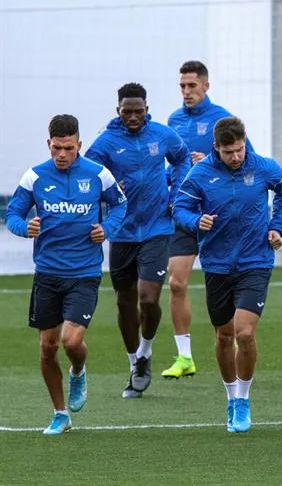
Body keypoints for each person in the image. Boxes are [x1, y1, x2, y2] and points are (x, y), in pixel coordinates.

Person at [6, 115, 127, 434]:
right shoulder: (34, 177)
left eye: (68, 148)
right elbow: (13, 214)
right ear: (49, 144)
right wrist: (24, 227)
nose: (62, 154)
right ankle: (60, 414)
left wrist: (108, 229)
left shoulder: (98, 174)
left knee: (71, 341)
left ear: (79, 146)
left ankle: (78, 370)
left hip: (84, 272)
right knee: (47, 346)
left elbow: (119, 206)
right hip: (47, 272)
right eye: (56, 148)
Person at [173, 116, 282, 432]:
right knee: (224, 335)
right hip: (216, 264)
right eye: (229, 152)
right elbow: (180, 208)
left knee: (244, 332)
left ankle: (243, 399)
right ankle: (230, 397)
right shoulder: (199, 173)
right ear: (216, 148)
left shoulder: (263, 167)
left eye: (239, 150)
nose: (236, 157)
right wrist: (195, 221)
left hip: (256, 262)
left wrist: (276, 226)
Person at [86, 83, 191, 398]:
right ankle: (135, 364)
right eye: (126, 111)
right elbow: (88, 174)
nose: (133, 116)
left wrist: (176, 192)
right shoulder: (106, 141)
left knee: (148, 298)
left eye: (138, 110)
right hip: (122, 232)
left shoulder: (161, 134)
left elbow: (182, 157)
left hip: (157, 228)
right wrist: (106, 188)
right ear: (118, 110)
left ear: (147, 108)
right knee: (125, 301)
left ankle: (146, 350)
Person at [162, 60, 235, 380]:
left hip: (217, 213)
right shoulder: (173, 121)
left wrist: (211, 160)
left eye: (192, 85)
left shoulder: (223, 118)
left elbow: (241, 159)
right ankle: (184, 356)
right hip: (185, 210)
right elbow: (171, 165)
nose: (186, 91)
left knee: (225, 287)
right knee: (176, 282)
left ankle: (232, 345)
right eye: (182, 86)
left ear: (206, 85)